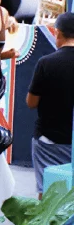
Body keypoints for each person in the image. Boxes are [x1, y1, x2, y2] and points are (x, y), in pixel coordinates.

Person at [27, 12, 74, 196]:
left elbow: (31, 102)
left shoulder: (46, 63)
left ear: (57, 33)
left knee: (47, 191)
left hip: (48, 141)